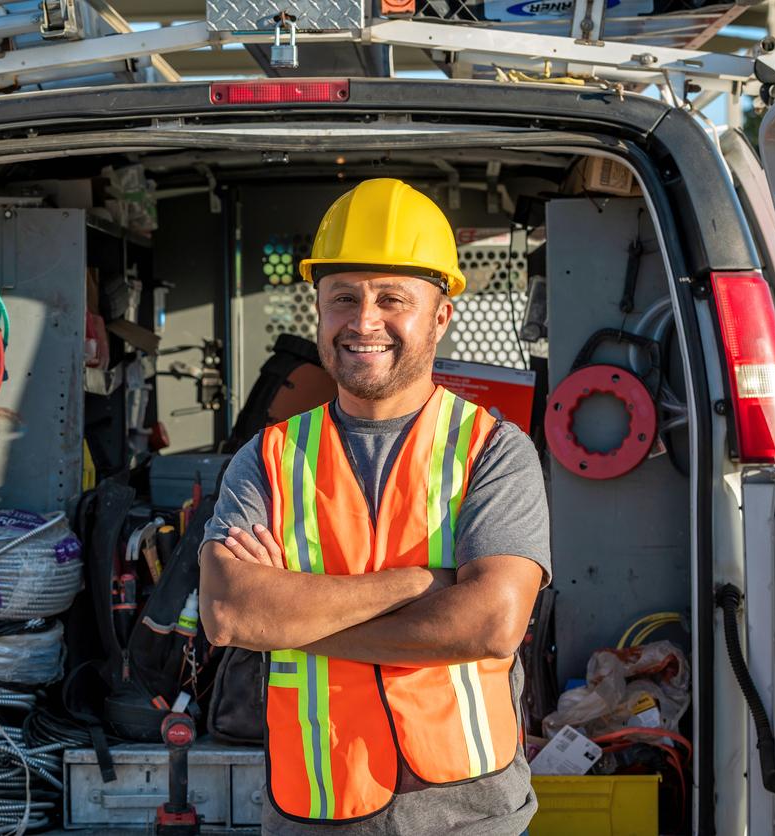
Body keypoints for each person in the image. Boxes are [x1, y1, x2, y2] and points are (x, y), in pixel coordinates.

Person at [198, 178, 550, 835]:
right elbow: (228, 612)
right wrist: (421, 584)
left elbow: (490, 623)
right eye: (344, 299)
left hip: (470, 814)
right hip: (314, 807)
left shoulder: (495, 451)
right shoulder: (267, 458)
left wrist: (291, 619)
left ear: (441, 316)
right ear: (319, 312)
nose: (364, 321)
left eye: (393, 299)